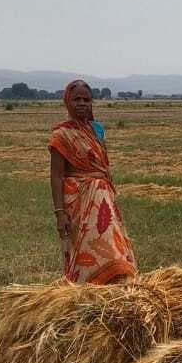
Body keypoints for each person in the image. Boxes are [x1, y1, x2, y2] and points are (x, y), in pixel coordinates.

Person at [49, 80, 137, 283]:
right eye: (76, 99)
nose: (81, 104)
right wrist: (60, 213)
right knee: (84, 245)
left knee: (109, 241)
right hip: (78, 200)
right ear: (67, 102)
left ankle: (113, 281)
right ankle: (86, 285)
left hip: (103, 199)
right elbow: (56, 176)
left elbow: (103, 164)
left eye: (86, 100)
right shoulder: (60, 135)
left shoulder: (97, 129)